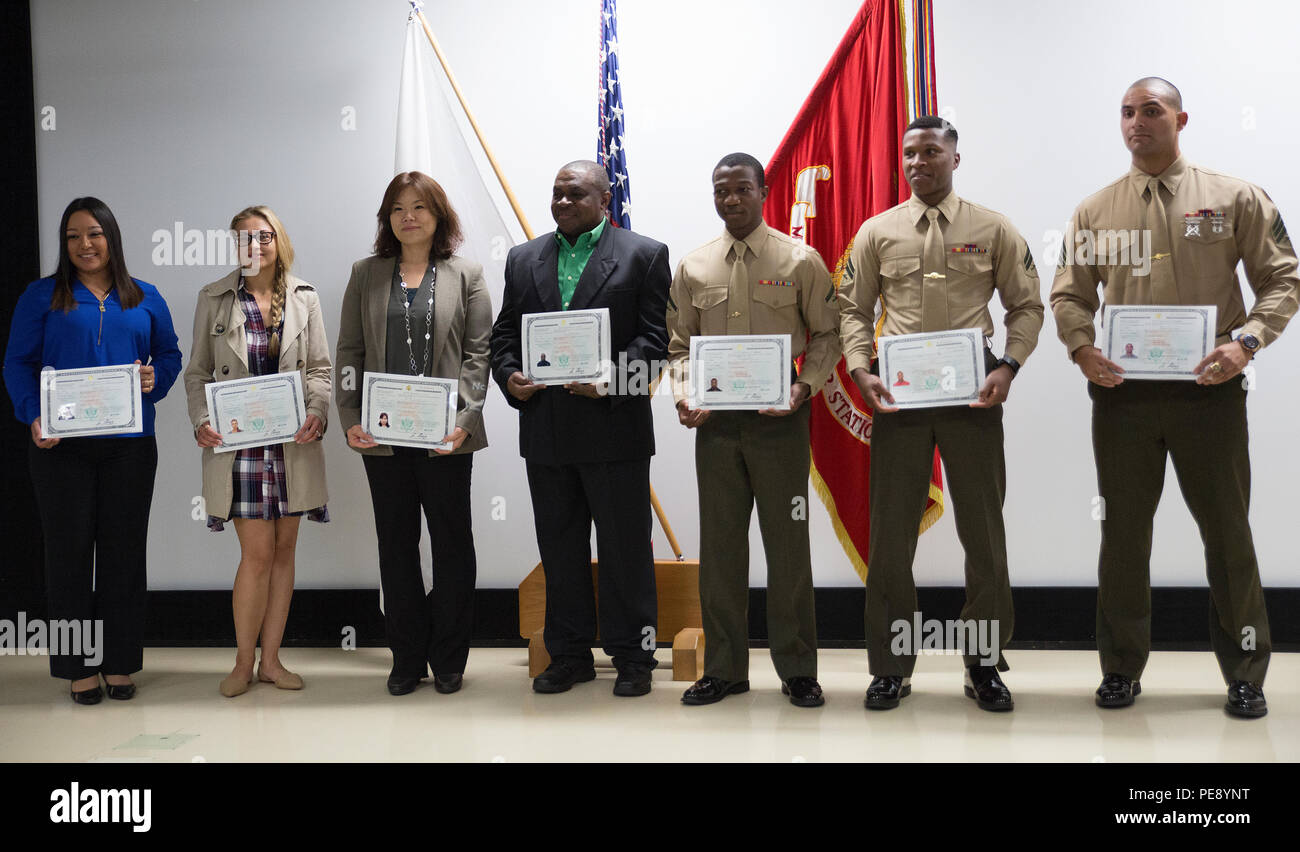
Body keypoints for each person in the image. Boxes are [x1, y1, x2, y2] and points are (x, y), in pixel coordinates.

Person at [1050, 78, 1298, 718]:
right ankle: (1120, 669)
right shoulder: (1095, 210)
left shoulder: (1234, 197)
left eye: (1151, 111)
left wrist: (1245, 344)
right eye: (1126, 112)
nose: (1137, 121)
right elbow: (1070, 294)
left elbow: (1283, 279)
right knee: (1123, 538)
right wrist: (1082, 349)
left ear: (1181, 119)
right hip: (1123, 398)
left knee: (1228, 533)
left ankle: (1246, 672)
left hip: (1209, 393)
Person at [839, 118, 1043, 712]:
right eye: (909, 153)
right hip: (899, 398)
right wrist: (860, 369)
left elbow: (1027, 305)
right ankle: (890, 665)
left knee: (983, 532)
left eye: (931, 151)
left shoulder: (992, 228)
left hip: (972, 395)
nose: (918, 162)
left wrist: (1009, 366)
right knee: (890, 535)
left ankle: (983, 664)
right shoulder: (877, 232)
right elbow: (852, 309)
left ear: (956, 158)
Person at [490, 160, 670, 697]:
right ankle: (569, 655)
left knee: (624, 550)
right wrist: (510, 376)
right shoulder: (523, 259)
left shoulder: (644, 254)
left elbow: (656, 341)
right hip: (546, 432)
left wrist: (610, 379)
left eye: (575, 194)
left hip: (615, 431)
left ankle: (634, 657)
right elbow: (505, 336)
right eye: (556, 194)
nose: (562, 202)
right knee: (560, 550)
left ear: (604, 200)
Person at [667, 152, 840, 708]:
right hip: (717, 427)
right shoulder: (694, 267)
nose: (731, 199)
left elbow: (828, 335)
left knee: (788, 546)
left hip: (780, 421)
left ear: (764, 192)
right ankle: (724, 670)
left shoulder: (800, 260)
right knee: (720, 549)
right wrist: (684, 393)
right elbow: (678, 346)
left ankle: (798, 669)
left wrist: (803, 387)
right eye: (721, 190)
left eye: (742, 188)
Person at [2, 196, 182, 704]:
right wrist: (32, 414)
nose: (85, 244)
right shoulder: (41, 296)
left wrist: (154, 378)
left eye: (94, 233)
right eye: (73, 236)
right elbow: (17, 363)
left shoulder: (145, 296)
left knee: (124, 555)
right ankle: (78, 668)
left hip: (130, 448)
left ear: (111, 238)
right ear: (64, 244)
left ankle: (119, 663)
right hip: (62, 449)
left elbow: (169, 354)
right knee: (68, 557)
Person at [336, 171, 491, 696]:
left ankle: (448, 658)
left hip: (447, 438)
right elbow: (349, 351)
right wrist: (350, 415)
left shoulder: (466, 274)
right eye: (398, 208)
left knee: (452, 545)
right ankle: (405, 658)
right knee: (396, 547)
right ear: (388, 218)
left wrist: (464, 420)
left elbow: (478, 355)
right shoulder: (366, 273)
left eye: (420, 207)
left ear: (438, 215)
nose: (409, 217)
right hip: (382, 437)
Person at [184, 205, 332, 698]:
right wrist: (202, 420)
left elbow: (320, 369)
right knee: (258, 555)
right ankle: (242, 662)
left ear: (278, 239)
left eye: (264, 236)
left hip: (293, 443)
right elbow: (197, 373)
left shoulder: (304, 297)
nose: (255, 245)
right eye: (244, 238)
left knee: (285, 552)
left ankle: (271, 661)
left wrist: (317, 411)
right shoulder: (213, 298)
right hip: (239, 445)